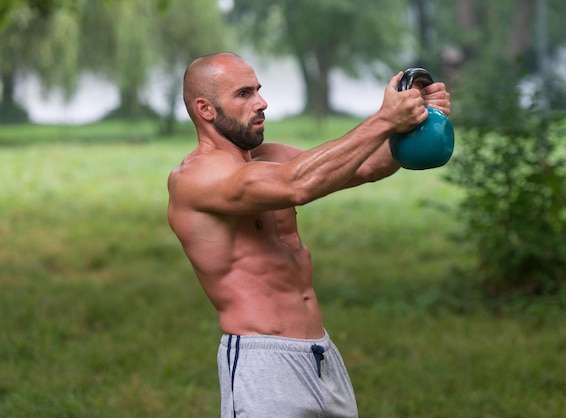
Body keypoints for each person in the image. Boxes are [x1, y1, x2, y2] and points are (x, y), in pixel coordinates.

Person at [167, 52, 451, 417]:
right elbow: (297, 184)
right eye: (243, 94)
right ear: (205, 109)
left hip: (320, 354)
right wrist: (383, 120)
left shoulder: (267, 158)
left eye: (258, 90)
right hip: (262, 363)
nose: (261, 102)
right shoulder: (196, 178)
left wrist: (418, 118)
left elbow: (366, 165)